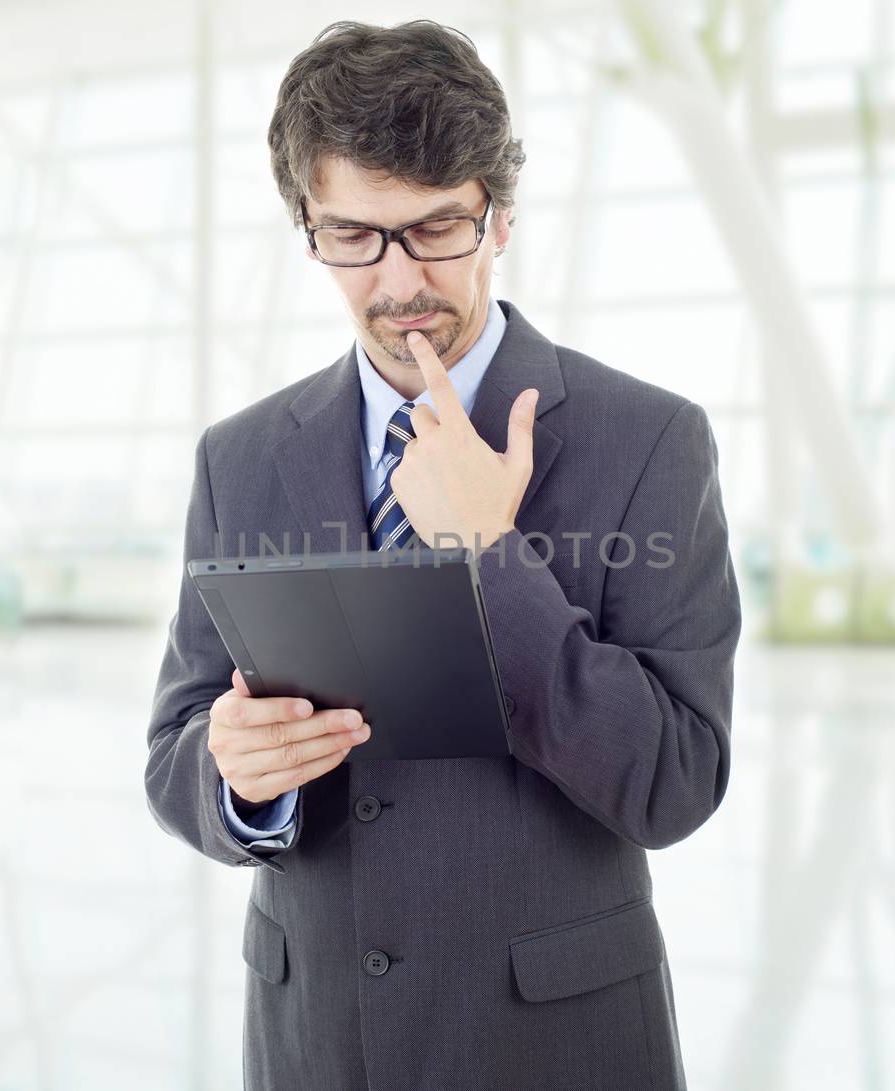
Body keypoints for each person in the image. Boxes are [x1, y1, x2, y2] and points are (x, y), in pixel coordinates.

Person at [144, 19, 740, 1090]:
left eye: (436, 229)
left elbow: (675, 779)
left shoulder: (648, 440)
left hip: (552, 1045)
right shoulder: (239, 459)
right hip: (316, 1039)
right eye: (354, 237)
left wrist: (490, 550)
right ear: (308, 228)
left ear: (500, 216)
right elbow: (175, 748)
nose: (398, 279)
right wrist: (236, 776)